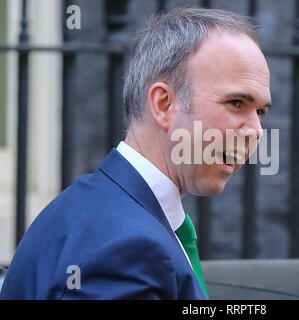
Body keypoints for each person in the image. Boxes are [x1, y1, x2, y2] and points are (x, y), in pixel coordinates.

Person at [0, 7, 271, 300]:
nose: (256, 131)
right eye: (236, 103)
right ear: (164, 104)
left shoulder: (95, 210)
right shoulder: (130, 248)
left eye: (260, 112)